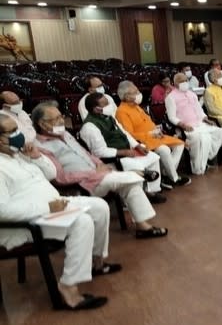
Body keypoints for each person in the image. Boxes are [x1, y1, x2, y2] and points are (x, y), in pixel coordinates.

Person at [0, 114, 120, 310]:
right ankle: (68, 288)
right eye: (11, 131)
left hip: (52, 207)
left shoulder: (17, 155)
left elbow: (51, 175)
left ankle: (96, 263)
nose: (18, 134)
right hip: (28, 223)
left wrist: (37, 157)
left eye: (17, 129)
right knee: (82, 222)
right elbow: (2, 211)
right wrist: (47, 208)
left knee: (99, 206)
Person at [31, 102, 168, 239]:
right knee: (128, 179)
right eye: (56, 119)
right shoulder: (40, 147)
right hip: (83, 183)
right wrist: (94, 173)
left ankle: (142, 226)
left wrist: (100, 164)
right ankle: (136, 175)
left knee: (130, 185)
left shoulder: (65, 134)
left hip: (99, 174)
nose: (61, 121)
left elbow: (87, 153)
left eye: (61, 116)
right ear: (42, 124)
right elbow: (60, 178)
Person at [80, 93, 166, 203]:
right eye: (105, 104)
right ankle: (134, 200)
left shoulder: (109, 117)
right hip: (113, 159)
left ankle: (152, 191)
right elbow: (99, 151)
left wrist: (137, 145)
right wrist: (123, 152)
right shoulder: (90, 126)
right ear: (96, 109)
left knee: (153, 157)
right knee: (138, 166)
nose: (109, 105)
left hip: (126, 152)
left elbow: (124, 133)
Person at [115, 81, 190, 188]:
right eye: (135, 92)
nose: (139, 93)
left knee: (179, 144)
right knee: (165, 150)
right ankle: (174, 178)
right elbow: (129, 134)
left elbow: (148, 122)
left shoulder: (136, 106)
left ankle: (165, 173)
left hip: (155, 136)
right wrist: (150, 133)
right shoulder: (122, 111)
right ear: (127, 96)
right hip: (143, 141)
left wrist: (156, 130)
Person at [166, 73, 222, 175]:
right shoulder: (170, 97)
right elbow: (171, 117)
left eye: (186, 80)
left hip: (200, 124)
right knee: (198, 138)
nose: (185, 83)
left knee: (220, 132)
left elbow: (199, 110)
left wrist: (206, 119)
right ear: (175, 83)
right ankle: (197, 167)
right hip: (186, 127)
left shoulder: (192, 94)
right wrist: (183, 125)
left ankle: (206, 156)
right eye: (181, 81)